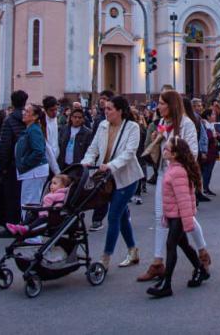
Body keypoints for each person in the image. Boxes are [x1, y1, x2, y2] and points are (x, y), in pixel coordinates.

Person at [137, 90, 211, 282]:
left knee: (187, 216)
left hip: (179, 176)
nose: (158, 107)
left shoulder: (186, 124)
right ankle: (157, 262)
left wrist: (176, 162)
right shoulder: (163, 124)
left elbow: (192, 152)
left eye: (162, 103)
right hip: (163, 174)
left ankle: (202, 252)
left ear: (172, 105)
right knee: (160, 216)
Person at [83, 95, 143, 269]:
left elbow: (129, 153)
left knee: (114, 215)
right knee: (122, 216)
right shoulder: (102, 126)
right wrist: (85, 162)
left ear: (120, 111)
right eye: (105, 108)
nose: (105, 111)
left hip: (127, 179)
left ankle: (105, 258)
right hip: (107, 179)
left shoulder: (132, 128)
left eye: (109, 109)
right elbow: (93, 148)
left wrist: (110, 165)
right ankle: (133, 251)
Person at [146, 137, 210, 298]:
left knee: (171, 245)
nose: (164, 151)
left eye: (167, 149)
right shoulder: (173, 168)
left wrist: (186, 222)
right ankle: (200, 269)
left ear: (174, 154)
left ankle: (166, 284)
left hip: (178, 216)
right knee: (183, 245)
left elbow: (184, 201)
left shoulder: (178, 172)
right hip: (173, 214)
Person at [0, 90, 29, 235]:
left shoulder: (9, 120)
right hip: (28, 163)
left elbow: (5, 144)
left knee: (11, 196)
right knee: (24, 195)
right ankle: (24, 223)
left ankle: (11, 226)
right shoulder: (30, 118)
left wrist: (3, 165)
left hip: (12, 163)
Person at [15, 106, 49, 207]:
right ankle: (27, 222)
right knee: (27, 201)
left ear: (35, 117)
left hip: (34, 171)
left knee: (29, 203)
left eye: (27, 111)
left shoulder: (34, 130)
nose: (24, 113)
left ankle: (28, 223)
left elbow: (38, 151)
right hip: (31, 171)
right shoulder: (30, 129)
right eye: (24, 110)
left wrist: (24, 162)